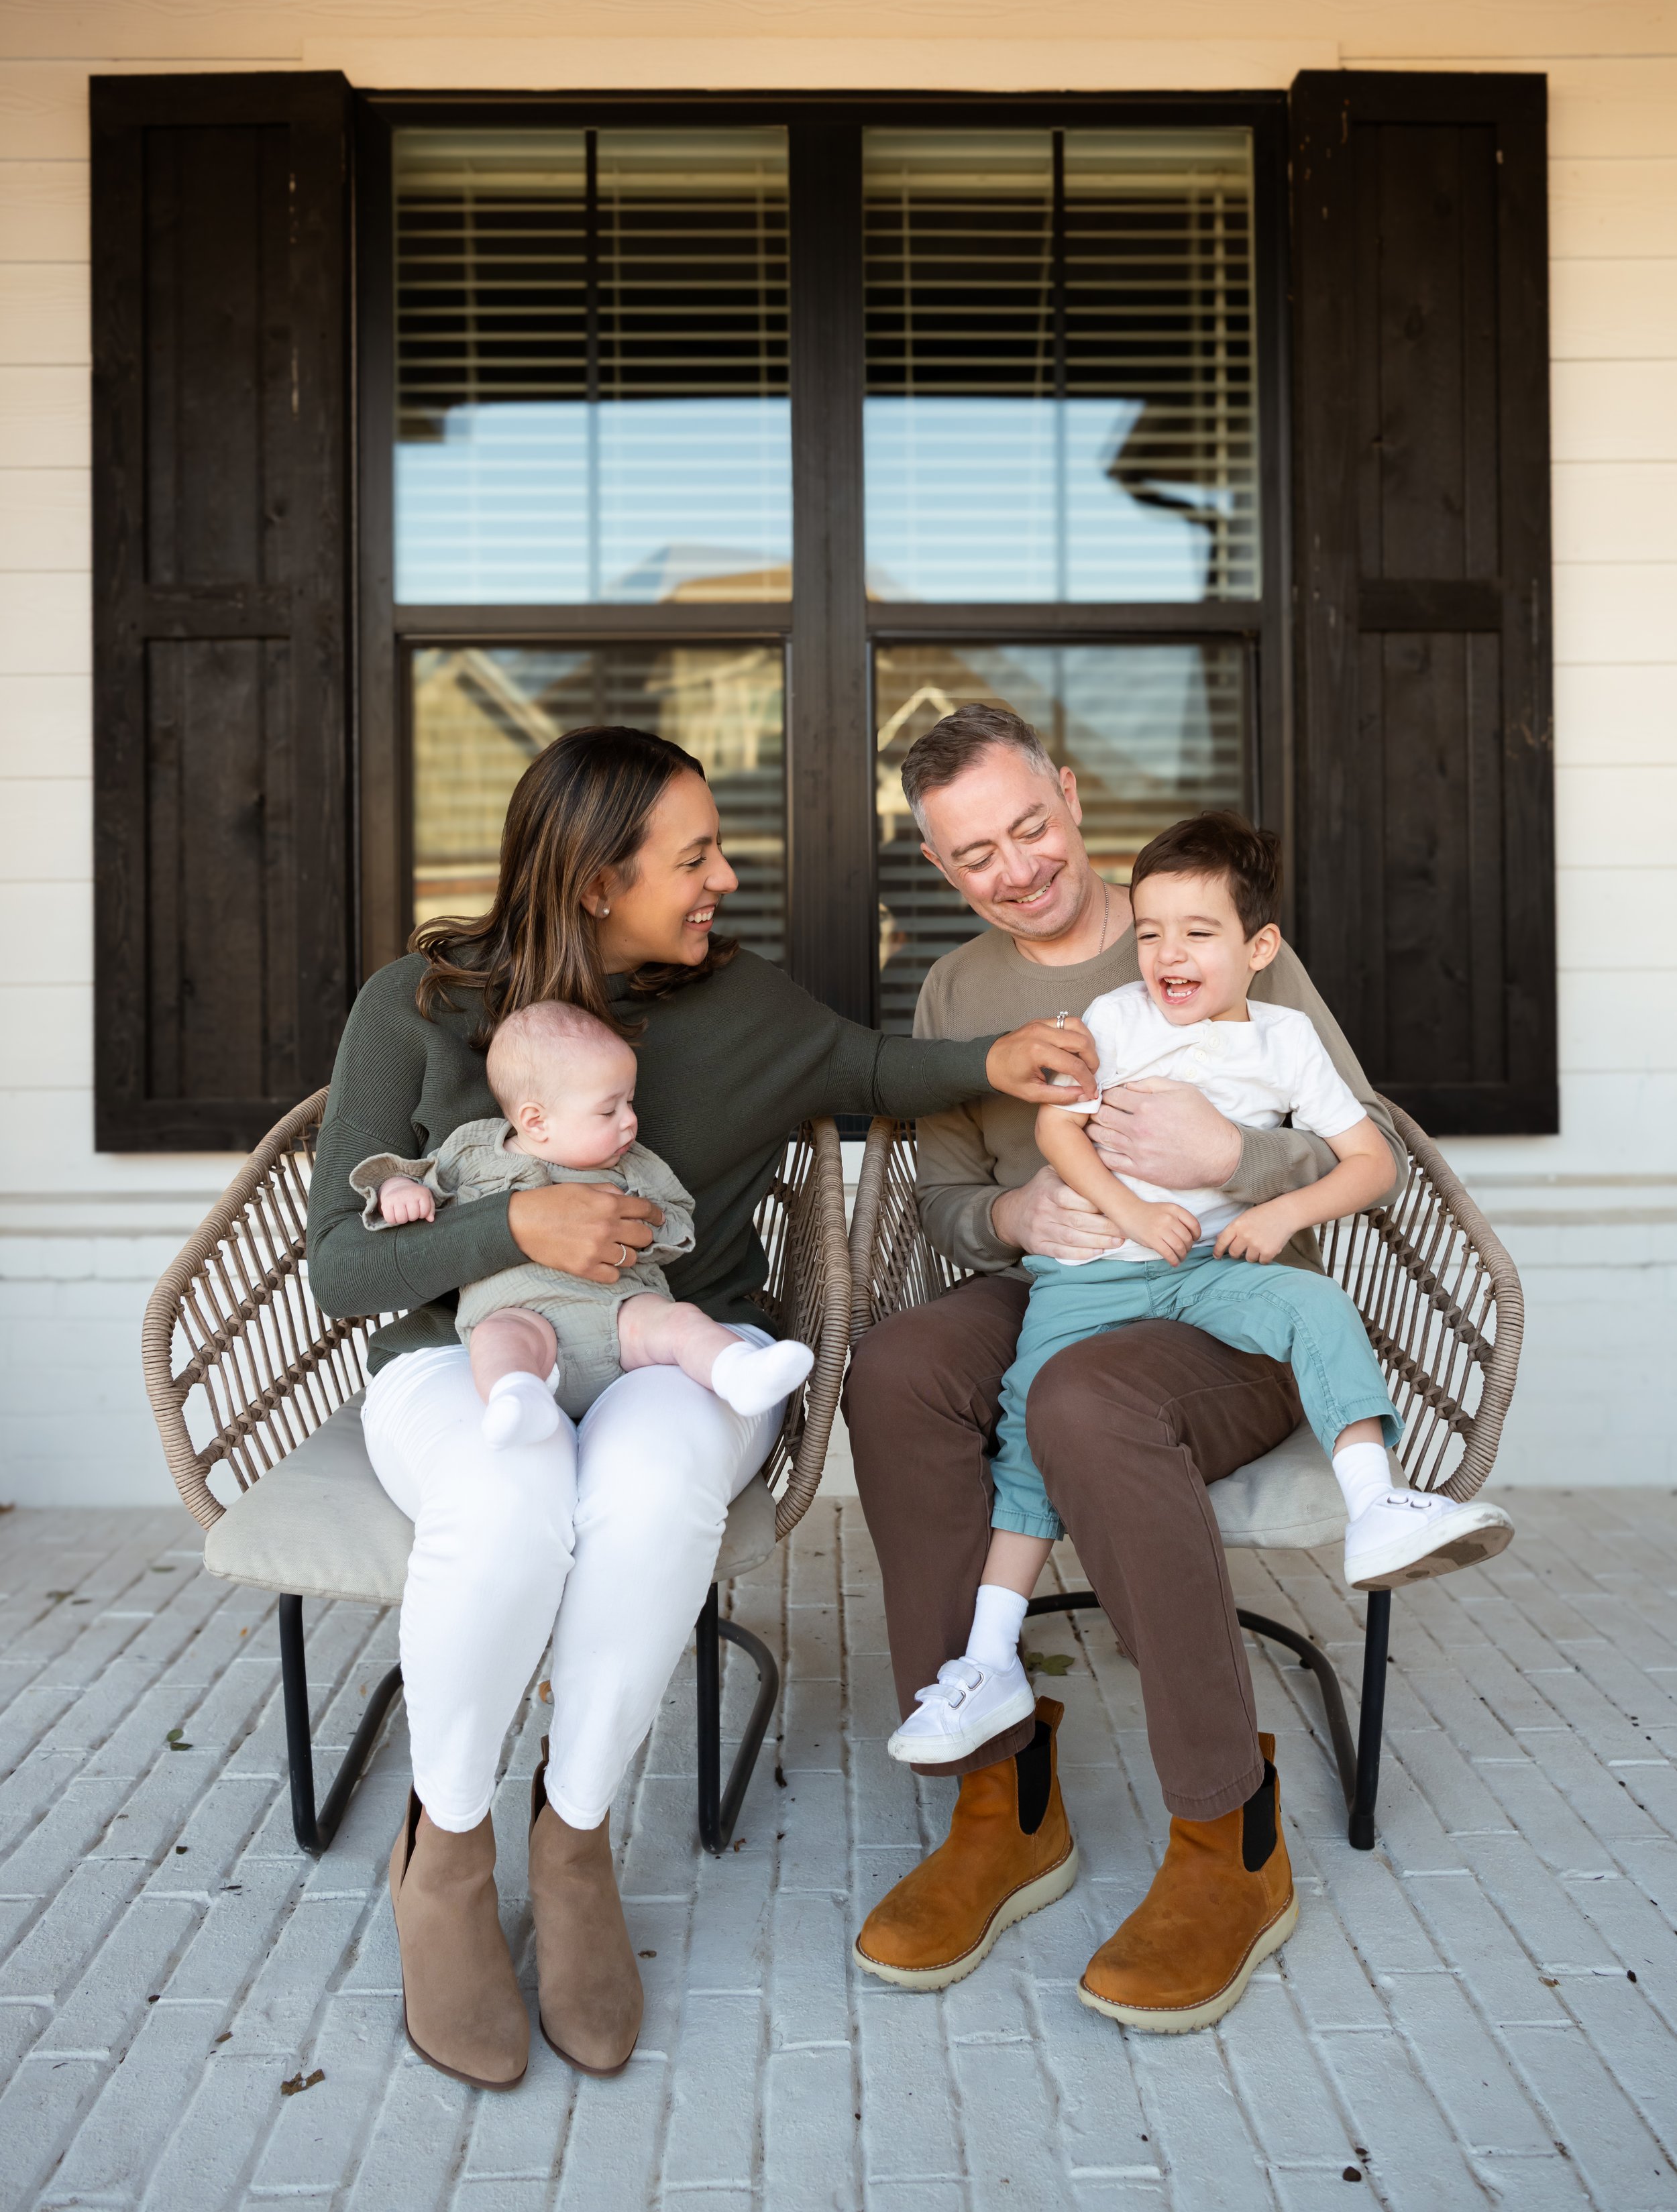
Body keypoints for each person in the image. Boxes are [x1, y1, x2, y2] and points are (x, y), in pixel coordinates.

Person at [307, 724, 1094, 2091]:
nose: (725, 876)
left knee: (650, 1487)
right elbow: (339, 1266)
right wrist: (518, 1221)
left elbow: (871, 1070)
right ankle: (445, 1848)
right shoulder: (417, 1003)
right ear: (601, 878)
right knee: (509, 1494)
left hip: (680, 1348)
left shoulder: (742, 1007)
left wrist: (1003, 1057)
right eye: (694, 856)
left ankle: (574, 1834)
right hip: (462, 1356)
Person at [845, 702, 1470, 2034]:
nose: (1013, 868)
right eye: (971, 856)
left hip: (1220, 1301)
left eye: (1027, 825)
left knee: (1086, 1398)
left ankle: (1223, 1834)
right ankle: (999, 1798)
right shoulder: (955, 986)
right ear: (938, 867)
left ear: (1069, 794)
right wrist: (1015, 1217)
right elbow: (949, 1197)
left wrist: (1221, 1159)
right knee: (896, 1366)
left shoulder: (1195, 925)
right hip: (1062, 1278)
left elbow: (1363, 1157)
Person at [886, 808, 1511, 1773]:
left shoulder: (1284, 1035)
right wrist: (1115, 1213)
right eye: (1151, 932)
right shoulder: (1107, 1018)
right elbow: (1056, 1134)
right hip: (1093, 1276)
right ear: (940, 864)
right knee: (1023, 1440)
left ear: (1259, 946)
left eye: (1197, 933)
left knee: (1313, 1309)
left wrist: (1265, 1190)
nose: (1169, 952)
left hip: (1217, 1271)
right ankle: (984, 1664)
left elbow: (1371, 1158)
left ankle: (1378, 1502)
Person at [351, 999, 815, 1442]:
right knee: (497, 1340)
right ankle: (517, 1398)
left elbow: (678, 1217)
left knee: (678, 1321)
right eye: (609, 1109)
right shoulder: (472, 1153)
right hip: (520, 1314)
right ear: (536, 1121)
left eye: (630, 1102)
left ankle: (736, 1370)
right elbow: (419, 1181)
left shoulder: (632, 1166)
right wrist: (398, 1190)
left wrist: (644, 1228)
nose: (630, 1122)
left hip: (621, 1314)